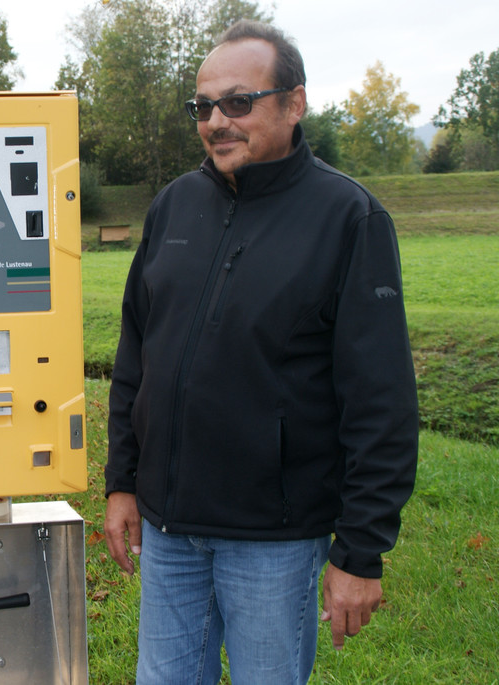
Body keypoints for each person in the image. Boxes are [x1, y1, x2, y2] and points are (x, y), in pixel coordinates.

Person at [103, 20, 418, 684]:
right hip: (168, 528)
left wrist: (360, 552)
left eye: (238, 102)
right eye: (204, 106)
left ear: (294, 102)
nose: (217, 120)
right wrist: (122, 482)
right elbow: (137, 356)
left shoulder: (348, 218)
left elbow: (380, 401)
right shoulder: (173, 207)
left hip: (273, 538)